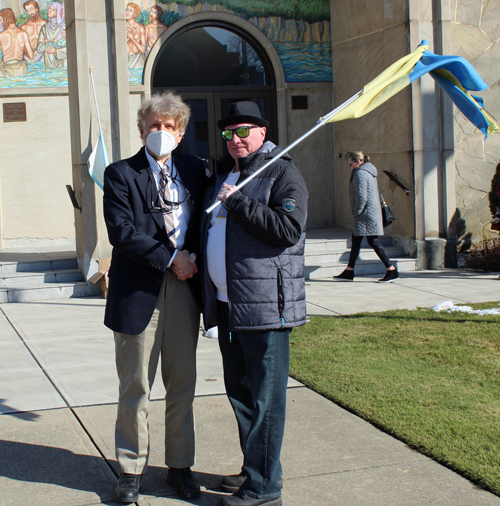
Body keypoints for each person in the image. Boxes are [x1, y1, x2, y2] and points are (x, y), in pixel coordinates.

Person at [200, 101, 308, 506]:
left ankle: (265, 489)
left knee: (266, 400)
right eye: (229, 133)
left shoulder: (282, 172)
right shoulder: (227, 174)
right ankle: (255, 470)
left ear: (262, 132)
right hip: (229, 306)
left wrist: (240, 203)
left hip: (265, 309)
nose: (236, 140)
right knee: (241, 394)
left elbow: (288, 229)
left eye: (244, 131)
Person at [103, 92, 208, 503]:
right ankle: (131, 469)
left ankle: (180, 467)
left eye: (169, 127)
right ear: (141, 130)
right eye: (154, 126)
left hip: (185, 291)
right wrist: (172, 259)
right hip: (139, 292)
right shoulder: (120, 174)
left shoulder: (195, 171)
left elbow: (204, 221)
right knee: (136, 388)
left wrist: (193, 258)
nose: (161, 133)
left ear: (180, 134)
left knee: (182, 384)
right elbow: (123, 232)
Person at [334, 151, 399, 283]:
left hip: (365, 215)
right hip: (368, 213)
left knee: (373, 242)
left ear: (358, 161)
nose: (349, 166)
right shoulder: (369, 172)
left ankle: (391, 270)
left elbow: (362, 196)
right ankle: (349, 271)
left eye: (350, 163)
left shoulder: (360, 173)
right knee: (357, 241)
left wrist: (356, 211)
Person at [0, 8, 33, 78]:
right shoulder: (23, 33)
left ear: (4, 19)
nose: (1, 22)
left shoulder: (1, 35)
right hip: (21, 70)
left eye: (1, 20)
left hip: (6, 70)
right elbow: (31, 56)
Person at [33, 1, 66, 69]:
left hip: (61, 63)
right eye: (49, 8)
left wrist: (55, 51)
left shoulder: (63, 27)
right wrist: (43, 43)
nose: (50, 11)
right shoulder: (45, 27)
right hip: (48, 62)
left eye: (53, 9)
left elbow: (69, 48)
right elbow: (39, 48)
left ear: (58, 12)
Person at [126, 2, 146, 69]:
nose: (127, 12)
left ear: (134, 14)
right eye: (127, 9)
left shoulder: (140, 28)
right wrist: (128, 39)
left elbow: (143, 50)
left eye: (130, 10)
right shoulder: (123, 26)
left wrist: (132, 38)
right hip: (126, 59)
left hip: (137, 60)